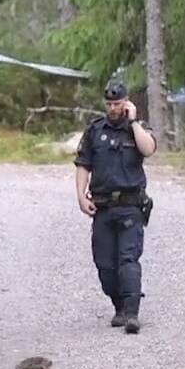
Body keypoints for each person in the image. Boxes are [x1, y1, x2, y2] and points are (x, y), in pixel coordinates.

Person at [73, 79, 158, 334]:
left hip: (131, 205)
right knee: (106, 266)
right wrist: (80, 196)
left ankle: (132, 314)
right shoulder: (94, 131)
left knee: (128, 260)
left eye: (118, 103)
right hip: (102, 207)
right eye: (109, 103)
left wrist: (132, 121)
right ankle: (119, 307)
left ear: (126, 102)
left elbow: (149, 149)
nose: (113, 108)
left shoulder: (138, 129)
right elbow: (83, 164)